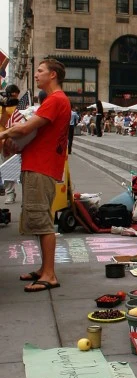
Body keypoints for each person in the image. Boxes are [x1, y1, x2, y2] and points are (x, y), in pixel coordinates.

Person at [0, 59, 71, 292]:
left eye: (40, 71)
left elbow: (25, 129)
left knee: (42, 221)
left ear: (53, 75)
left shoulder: (55, 100)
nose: (37, 75)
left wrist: (4, 134)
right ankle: (44, 268)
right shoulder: (54, 100)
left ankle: (49, 274)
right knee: (40, 219)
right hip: (40, 165)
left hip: (41, 166)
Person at [0, 84, 21, 203]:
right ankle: (10, 193)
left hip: (14, 141)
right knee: (6, 168)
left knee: (12, 168)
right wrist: (3, 108)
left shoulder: (21, 106)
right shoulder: (2, 106)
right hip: (2, 142)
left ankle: (11, 194)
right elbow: (2, 122)